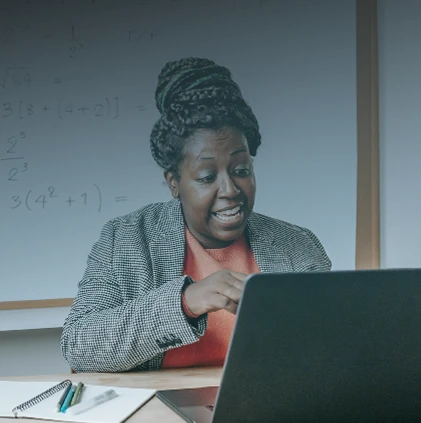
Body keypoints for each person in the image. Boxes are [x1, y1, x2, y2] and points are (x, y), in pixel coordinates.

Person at [60, 57, 331, 373]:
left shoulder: (296, 246)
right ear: (174, 182)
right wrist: (185, 302)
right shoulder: (127, 240)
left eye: (241, 170)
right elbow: (79, 344)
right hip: (159, 404)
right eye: (206, 177)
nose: (230, 189)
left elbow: (331, 346)